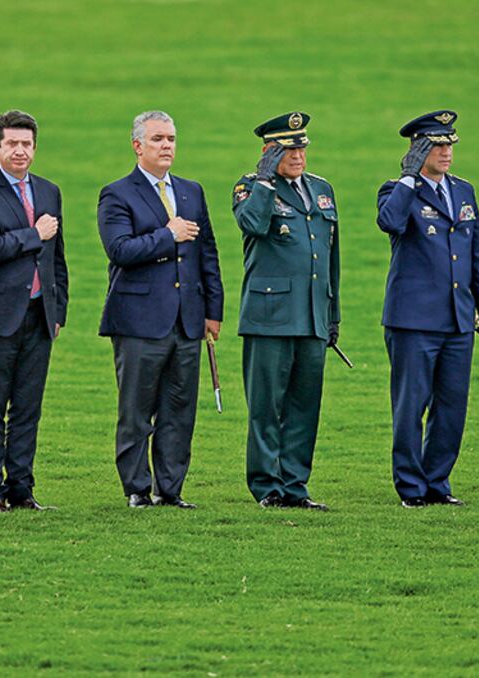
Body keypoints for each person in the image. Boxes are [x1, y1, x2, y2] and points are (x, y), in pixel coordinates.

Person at [98, 110, 223, 509]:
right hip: (138, 321)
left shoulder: (192, 191)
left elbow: (207, 253)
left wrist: (213, 309)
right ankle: (137, 488)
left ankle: (170, 489)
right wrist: (166, 236)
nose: (166, 145)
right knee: (136, 410)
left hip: (188, 319)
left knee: (179, 409)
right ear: (138, 146)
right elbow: (120, 250)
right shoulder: (117, 193)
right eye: (157, 139)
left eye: (170, 138)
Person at [376, 110, 479, 508]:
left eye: (449, 144)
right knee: (411, 406)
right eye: (436, 145)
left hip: (458, 319)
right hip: (413, 321)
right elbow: (390, 222)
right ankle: (410, 488)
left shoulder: (463, 191)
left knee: (451, 408)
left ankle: (437, 483)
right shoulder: (397, 190)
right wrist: (410, 177)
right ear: (416, 149)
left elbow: (478, 252)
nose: (446, 152)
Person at [0, 111, 67, 513]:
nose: (20, 151)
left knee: (27, 408)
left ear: (35, 148)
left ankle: (22, 489)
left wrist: (59, 308)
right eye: (12, 144)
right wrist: (34, 234)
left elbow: (58, 257)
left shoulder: (49, 191)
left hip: (39, 314)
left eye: (27, 144)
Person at [231, 111, 335, 510]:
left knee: (305, 407)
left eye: (300, 147)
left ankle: (296, 486)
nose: (296, 155)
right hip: (269, 316)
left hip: (311, 316)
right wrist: (262, 180)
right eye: (286, 148)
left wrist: (333, 314)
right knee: (266, 407)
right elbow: (253, 225)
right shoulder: (250, 187)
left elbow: (330, 258)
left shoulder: (322, 189)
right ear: (268, 151)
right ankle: (266, 486)